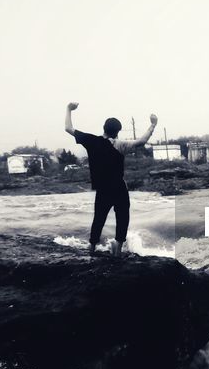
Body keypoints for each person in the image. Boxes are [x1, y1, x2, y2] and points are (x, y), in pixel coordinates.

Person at [65, 102, 158, 256]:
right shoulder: (119, 145)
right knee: (122, 216)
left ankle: (92, 248)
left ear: (104, 128)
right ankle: (118, 249)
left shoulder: (91, 141)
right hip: (119, 188)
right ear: (117, 132)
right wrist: (153, 125)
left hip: (102, 189)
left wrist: (69, 109)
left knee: (99, 218)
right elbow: (141, 142)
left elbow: (68, 128)